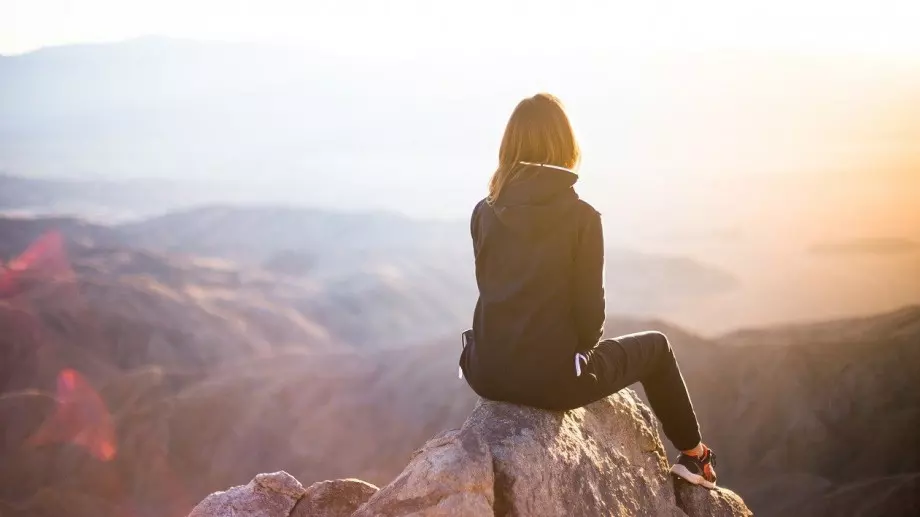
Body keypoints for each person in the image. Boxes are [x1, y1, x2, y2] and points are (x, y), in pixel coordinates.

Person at [458, 93, 718, 489]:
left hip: (485, 371)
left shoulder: (483, 210)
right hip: (554, 382)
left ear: (509, 146)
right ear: (565, 145)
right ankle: (695, 456)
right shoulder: (581, 218)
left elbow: (492, 289)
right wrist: (574, 356)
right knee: (658, 347)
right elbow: (590, 321)